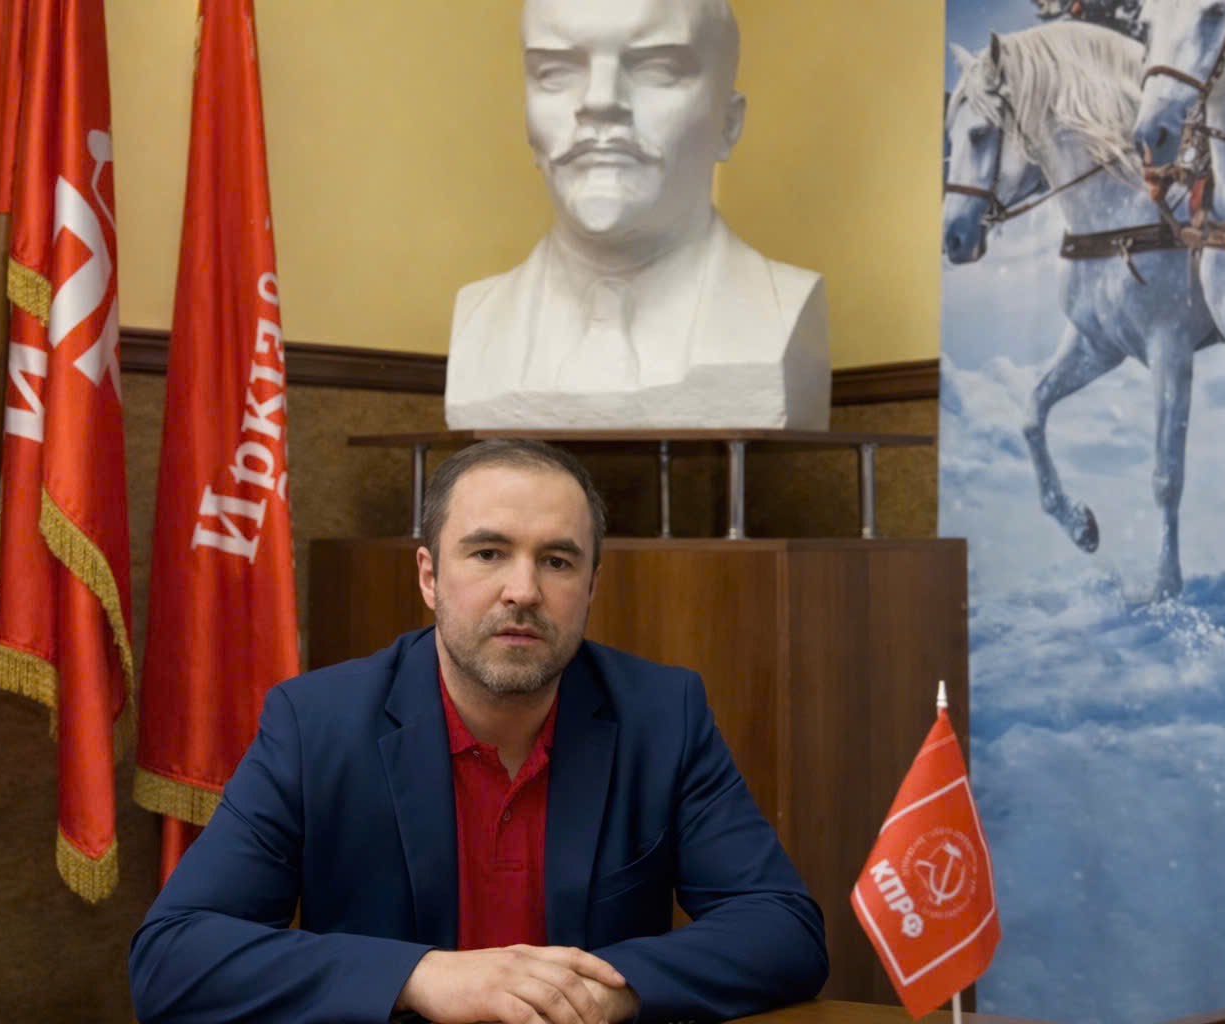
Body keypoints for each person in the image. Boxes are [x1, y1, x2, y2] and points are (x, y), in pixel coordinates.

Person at [128, 440, 828, 1024]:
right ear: (429, 577)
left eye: (557, 561)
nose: (523, 590)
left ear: (591, 586)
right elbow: (173, 957)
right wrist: (421, 977)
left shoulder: (662, 714)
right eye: (488, 553)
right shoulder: (316, 723)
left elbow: (783, 929)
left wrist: (603, 991)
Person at [443, 0, 830, 431]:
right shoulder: (480, 323)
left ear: (728, 123)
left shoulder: (780, 314)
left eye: (658, 69)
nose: (600, 101)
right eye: (554, 72)